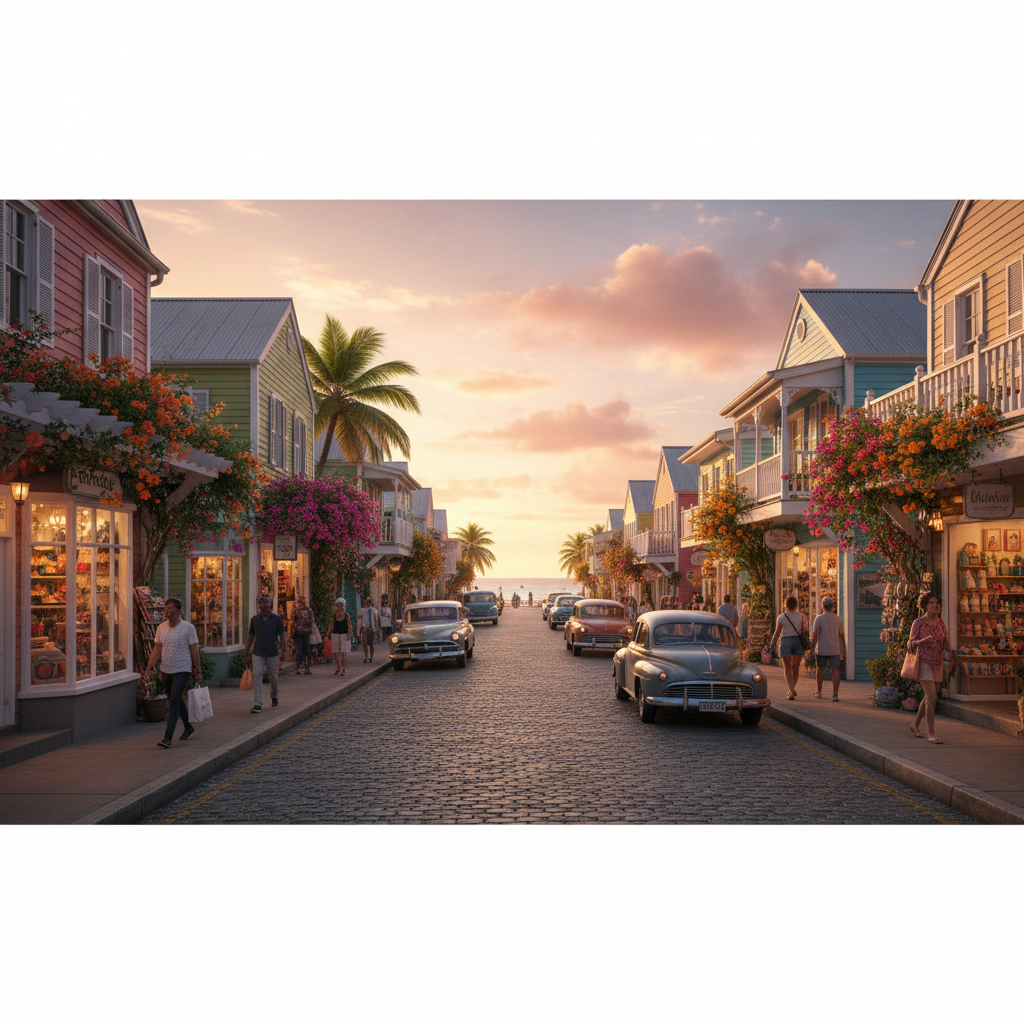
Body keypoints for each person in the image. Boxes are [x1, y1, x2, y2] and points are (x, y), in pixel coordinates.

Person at [143, 597, 200, 748]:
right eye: (165, 608)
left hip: (183, 668)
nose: (166, 611)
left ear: (178, 610)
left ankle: (167, 738)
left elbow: (194, 650)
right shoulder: (161, 628)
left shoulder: (188, 628)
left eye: (169, 608)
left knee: (174, 700)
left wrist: (198, 670)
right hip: (166, 669)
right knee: (175, 699)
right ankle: (188, 727)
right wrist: (149, 668)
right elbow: (157, 649)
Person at [909, 594, 950, 743]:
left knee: (929, 697)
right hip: (924, 662)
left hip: (937, 663)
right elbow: (910, 644)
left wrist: (950, 653)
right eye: (932, 602)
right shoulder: (918, 622)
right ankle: (931, 734)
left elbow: (945, 640)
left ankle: (915, 724)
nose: (936, 605)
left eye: (937, 603)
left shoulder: (940, 622)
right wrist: (923, 641)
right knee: (932, 697)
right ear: (926, 605)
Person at [244, 594, 285, 712]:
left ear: (270, 605)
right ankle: (257, 703)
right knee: (257, 675)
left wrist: (283, 650)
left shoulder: (277, 619)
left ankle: (274, 696)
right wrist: (247, 652)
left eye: (266, 603)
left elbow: (282, 635)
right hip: (258, 652)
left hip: (272, 652)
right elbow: (251, 637)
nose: (264, 606)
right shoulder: (255, 620)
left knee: (273, 677)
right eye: (262, 604)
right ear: (259, 606)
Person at [769, 595, 807, 700]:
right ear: (796, 605)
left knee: (787, 667)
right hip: (797, 641)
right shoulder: (801, 616)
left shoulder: (782, 617)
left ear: (786, 605)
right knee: (795, 668)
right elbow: (804, 631)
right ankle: (792, 688)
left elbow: (777, 632)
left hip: (786, 641)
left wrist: (772, 644)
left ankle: (790, 690)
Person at [811, 596, 846, 700]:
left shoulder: (819, 619)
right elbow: (841, 635)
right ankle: (835, 694)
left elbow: (815, 634)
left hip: (822, 648)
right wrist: (842, 650)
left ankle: (819, 692)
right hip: (835, 649)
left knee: (820, 669)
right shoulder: (838, 619)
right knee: (835, 670)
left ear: (822, 606)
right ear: (832, 606)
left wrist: (812, 647)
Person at [292, 596, 313, 675]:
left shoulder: (297, 610)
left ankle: (300, 668)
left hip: (301, 632)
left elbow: (294, 620)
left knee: (300, 650)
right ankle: (306, 667)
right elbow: (312, 620)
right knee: (305, 650)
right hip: (304, 632)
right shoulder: (308, 610)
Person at [331, 598, 352, 676]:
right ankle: (338, 668)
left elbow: (349, 625)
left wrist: (350, 633)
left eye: (341, 605)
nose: (340, 607)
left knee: (344, 652)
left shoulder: (346, 615)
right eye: (338, 606)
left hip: (344, 635)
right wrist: (327, 635)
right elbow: (331, 625)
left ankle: (343, 669)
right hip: (335, 635)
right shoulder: (334, 616)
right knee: (336, 652)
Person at [358, 597, 380, 663]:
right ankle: (366, 656)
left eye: (368, 601)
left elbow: (377, 620)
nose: (367, 603)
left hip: (371, 628)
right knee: (364, 644)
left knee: (371, 644)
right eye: (366, 601)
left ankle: (371, 657)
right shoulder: (362, 611)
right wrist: (359, 630)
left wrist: (376, 628)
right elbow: (359, 620)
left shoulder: (374, 611)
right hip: (364, 628)